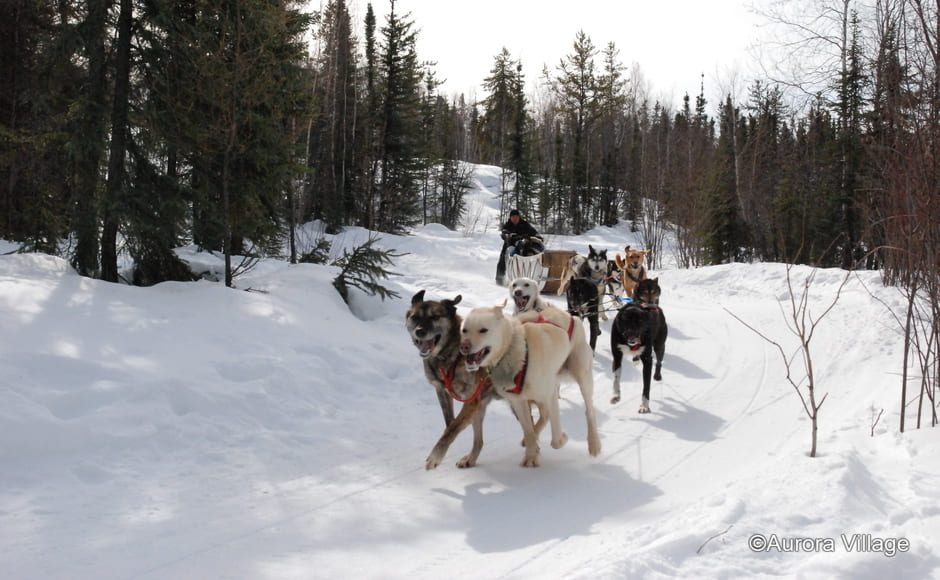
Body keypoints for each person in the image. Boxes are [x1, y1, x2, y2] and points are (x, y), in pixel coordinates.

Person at [495, 209, 543, 285]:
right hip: (510, 244)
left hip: (524, 244)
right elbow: (504, 233)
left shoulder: (525, 224)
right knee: (503, 259)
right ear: (510, 218)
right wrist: (508, 235)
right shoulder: (508, 225)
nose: (515, 219)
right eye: (513, 217)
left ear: (519, 217)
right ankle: (499, 279)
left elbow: (534, 232)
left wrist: (537, 236)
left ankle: (533, 276)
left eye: (516, 217)